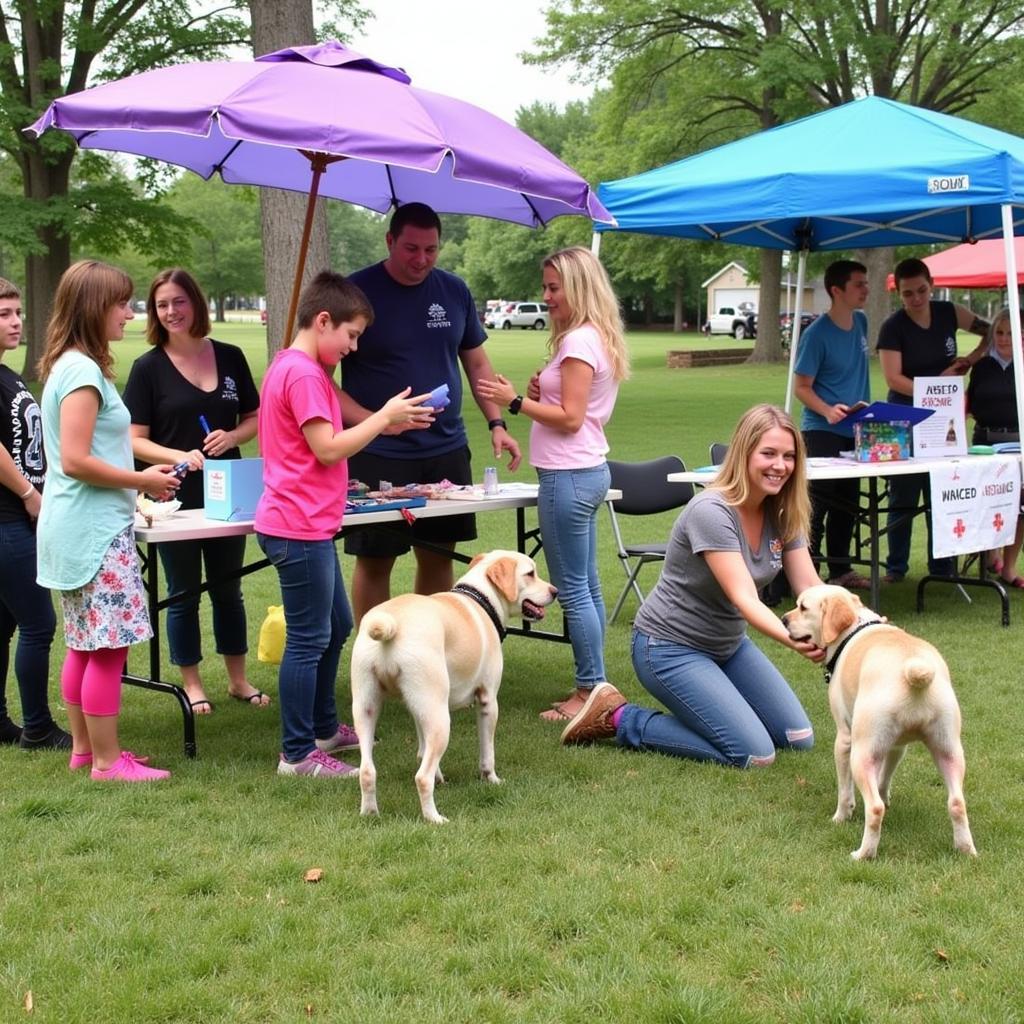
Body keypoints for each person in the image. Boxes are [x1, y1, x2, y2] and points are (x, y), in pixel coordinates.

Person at [560, 404, 823, 768]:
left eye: (789, 456)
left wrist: (855, 625)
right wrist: (795, 640)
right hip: (667, 648)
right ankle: (619, 716)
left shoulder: (783, 511)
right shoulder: (712, 511)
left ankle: (720, 714)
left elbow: (810, 586)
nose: (780, 465)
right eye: (769, 453)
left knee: (798, 738)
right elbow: (744, 596)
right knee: (755, 755)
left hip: (728, 645)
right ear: (744, 453)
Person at [256, 270, 432, 777]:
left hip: (305, 521)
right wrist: (383, 418)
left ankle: (325, 728)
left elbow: (313, 449)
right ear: (324, 320)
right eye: (351, 336)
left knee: (334, 626)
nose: (353, 348)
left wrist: (383, 423)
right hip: (296, 525)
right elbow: (327, 446)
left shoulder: (293, 367)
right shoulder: (306, 374)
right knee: (309, 638)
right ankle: (296, 753)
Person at [340, 203, 521, 621]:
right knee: (375, 559)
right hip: (378, 453)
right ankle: (375, 657)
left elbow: (477, 364)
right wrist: (375, 421)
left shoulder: (454, 290)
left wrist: (496, 421)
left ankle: (426, 648)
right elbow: (322, 380)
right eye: (410, 248)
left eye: (431, 249)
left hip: (445, 450)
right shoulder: (356, 292)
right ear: (389, 241)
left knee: (439, 556)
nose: (421, 259)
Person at [36, 260, 181, 781]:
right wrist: (143, 480)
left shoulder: (70, 364)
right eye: (121, 303)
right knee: (108, 646)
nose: (130, 312)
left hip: (75, 525)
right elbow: (75, 458)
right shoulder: (80, 371)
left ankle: (84, 750)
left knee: (82, 640)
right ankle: (106, 761)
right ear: (95, 308)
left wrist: (137, 477)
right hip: (93, 530)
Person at [477, 246, 629, 723]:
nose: (546, 297)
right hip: (584, 470)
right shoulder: (592, 338)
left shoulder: (580, 342)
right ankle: (598, 681)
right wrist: (542, 389)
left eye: (553, 288)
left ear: (578, 288)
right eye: (544, 287)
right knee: (588, 585)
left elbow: (570, 418)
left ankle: (587, 691)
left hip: (568, 475)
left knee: (573, 588)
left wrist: (516, 401)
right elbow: (569, 405)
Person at [123, 269, 263, 714]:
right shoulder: (148, 368)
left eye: (178, 302)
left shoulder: (231, 356)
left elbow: (256, 418)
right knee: (183, 592)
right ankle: (192, 683)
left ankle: (238, 680)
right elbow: (132, 439)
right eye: (162, 304)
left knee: (229, 589)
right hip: (172, 496)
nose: (170, 312)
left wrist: (234, 437)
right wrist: (177, 452)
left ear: (195, 303)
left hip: (230, 494)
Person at [877, 257, 989, 582]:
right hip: (904, 418)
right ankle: (896, 568)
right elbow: (893, 378)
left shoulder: (948, 312)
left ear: (932, 285)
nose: (916, 299)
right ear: (899, 293)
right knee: (903, 495)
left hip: (945, 418)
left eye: (922, 290)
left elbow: (990, 330)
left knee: (941, 490)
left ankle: (942, 567)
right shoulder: (892, 327)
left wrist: (972, 357)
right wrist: (933, 391)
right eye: (908, 293)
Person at [0, 278, 69, 750]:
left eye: (17, 312)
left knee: (4, 623)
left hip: (18, 518)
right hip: (7, 520)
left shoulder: (7, 375)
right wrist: (28, 493)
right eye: (4, 314)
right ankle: (39, 727)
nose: (16, 321)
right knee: (39, 624)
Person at [792, 259, 871, 590]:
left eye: (865, 283)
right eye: (858, 284)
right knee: (816, 507)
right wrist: (827, 410)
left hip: (858, 431)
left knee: (849, 506)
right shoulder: (816, 334)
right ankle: (804, 575)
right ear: (836, 290)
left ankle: (840, 570)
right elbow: (800, 387)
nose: (865, 289)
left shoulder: (862, 322)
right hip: (821, 432)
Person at [966, 307, 1024, 587]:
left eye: (1011, 333)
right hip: (986, 444)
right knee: (989, 501)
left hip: (1019, 445)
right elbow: (971, 404)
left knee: (1020, 507)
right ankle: (991, 555)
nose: (1003, 339)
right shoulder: (982, 367)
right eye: (999, 333)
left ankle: (1009, 567)